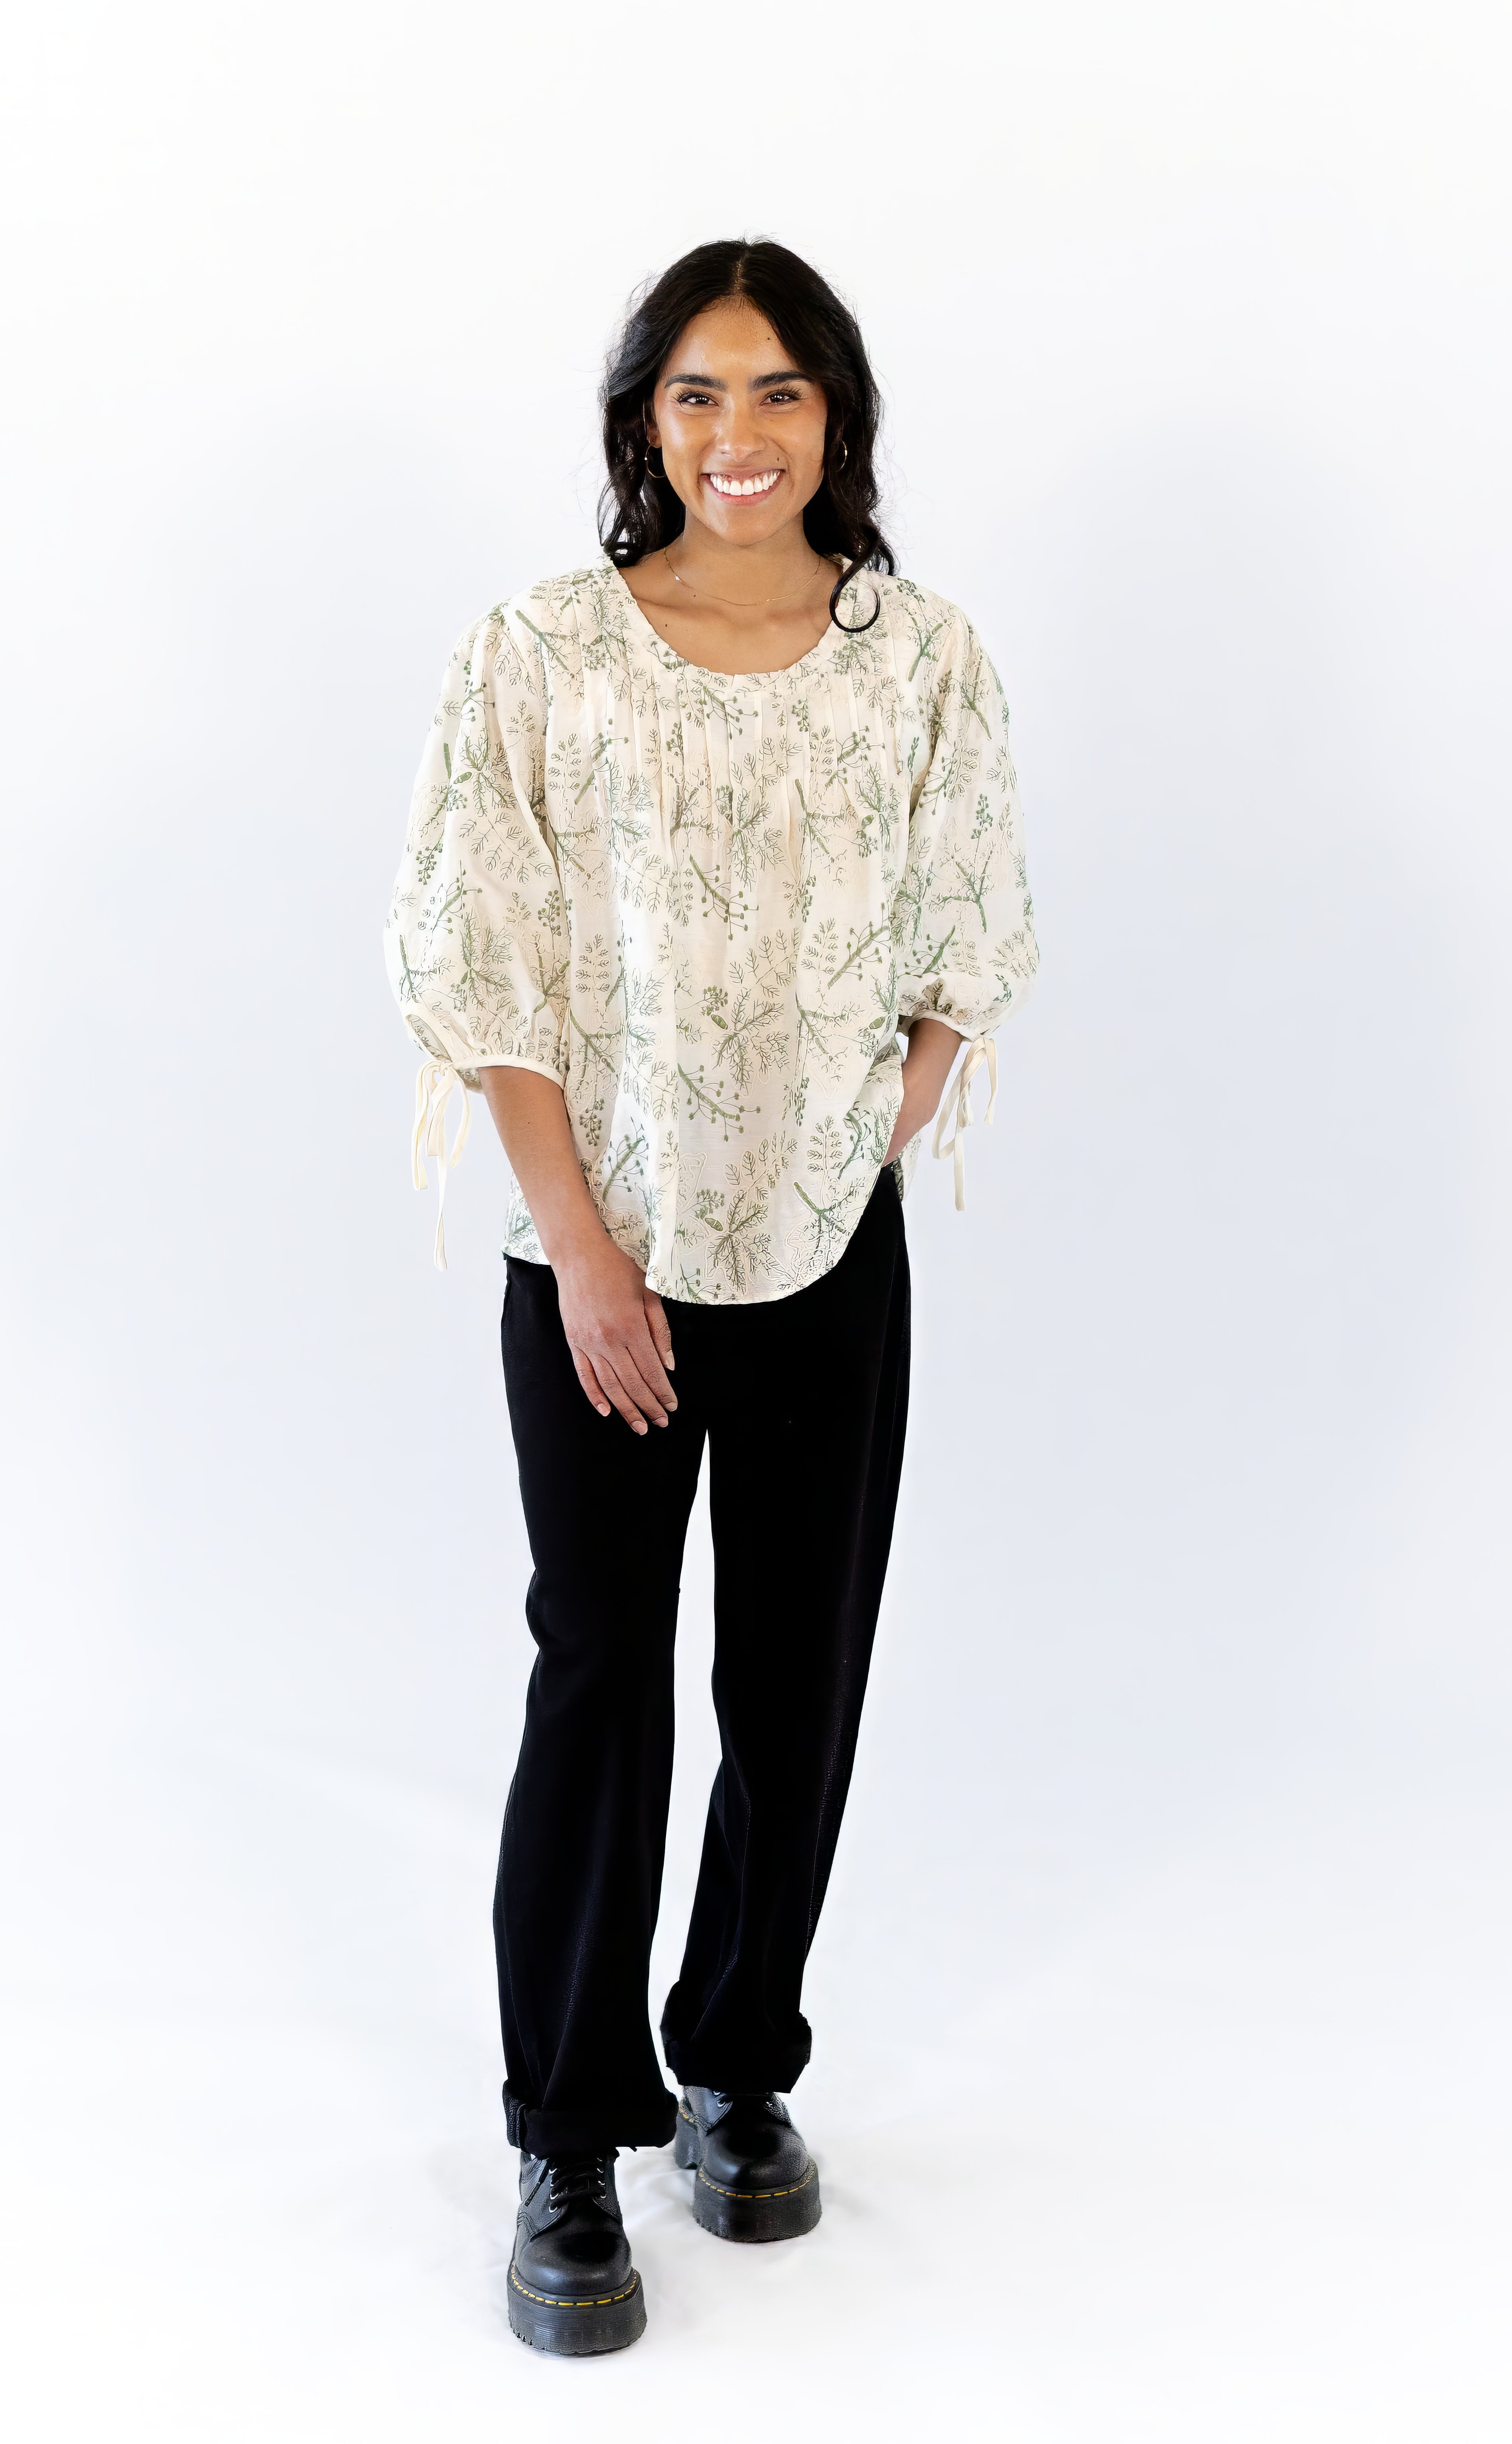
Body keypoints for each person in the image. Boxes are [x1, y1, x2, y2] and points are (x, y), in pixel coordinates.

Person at [384, 237, 1038, 2355]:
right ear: (641, 424)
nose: (736, 436)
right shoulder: (541, 655)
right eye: (695, 393)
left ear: (833, 416)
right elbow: (484, 966)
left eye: (777, 392)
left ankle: (737, 2063)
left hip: (827, 1259)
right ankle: (568, 2135)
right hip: (603, 1260)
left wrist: (852, 1153)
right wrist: (585, 1251)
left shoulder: (920, 659)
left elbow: (965, 941)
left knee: (796, 1674)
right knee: (600, 1675)